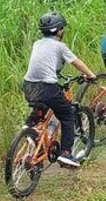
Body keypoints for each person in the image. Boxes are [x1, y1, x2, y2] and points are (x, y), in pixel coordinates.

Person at [23, 11, 97, 168]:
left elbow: (45, 64)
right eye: (62, 28)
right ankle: (66, 154)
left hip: (29, 85)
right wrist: (90, 75)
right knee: (67, 114)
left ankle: (29, 129)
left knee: (40, 109)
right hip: (47, 87)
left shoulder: (37, 43)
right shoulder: (60, 46)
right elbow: (76, 62)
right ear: (59, 30)